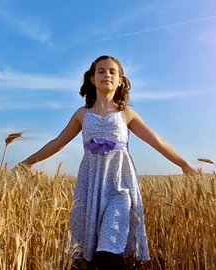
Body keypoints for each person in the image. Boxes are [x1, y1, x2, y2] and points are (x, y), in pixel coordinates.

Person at [20, 55, 196, 270]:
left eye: (112, 71)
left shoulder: (126, 114)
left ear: (120, 80)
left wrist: (184, 164)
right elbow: (57, 143)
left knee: (111, 245)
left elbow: (158, 141)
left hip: (120, 185)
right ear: (92, 79)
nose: (107, 75)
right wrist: (28, 162)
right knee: (90, 253)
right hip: (90, 186)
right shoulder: (82, 114)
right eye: (101, 71)